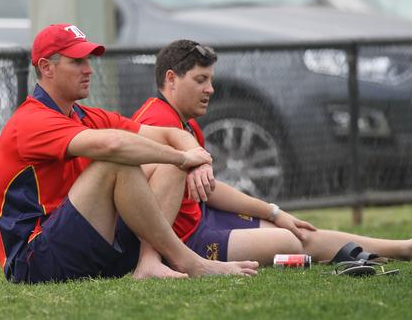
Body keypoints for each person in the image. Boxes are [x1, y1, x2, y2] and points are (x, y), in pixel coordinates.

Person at [0, 24, 259, 283]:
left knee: (293, 238)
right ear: (46, 67)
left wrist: (194, 158)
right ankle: (187, 261)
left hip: (86, 242)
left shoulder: (85, 114)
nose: (89, 70)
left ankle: (150, 263)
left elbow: (173, 136)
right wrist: (184, 158)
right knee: (119, 162)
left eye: (88, 60)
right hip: (33, 261)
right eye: (77, 62)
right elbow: (114, 146)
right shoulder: (31, 120)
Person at [130, 39, 412, 277]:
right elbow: (139, 196)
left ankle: (401, 248)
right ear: (170, 79)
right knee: (289, 242)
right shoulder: (155, 120)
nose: (210, 90)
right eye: (200, 80)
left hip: (205, 218)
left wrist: (273, 211)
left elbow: (209, 190)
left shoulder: (186, 122)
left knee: (297, 231)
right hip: (188, 239)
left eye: (211, 80)